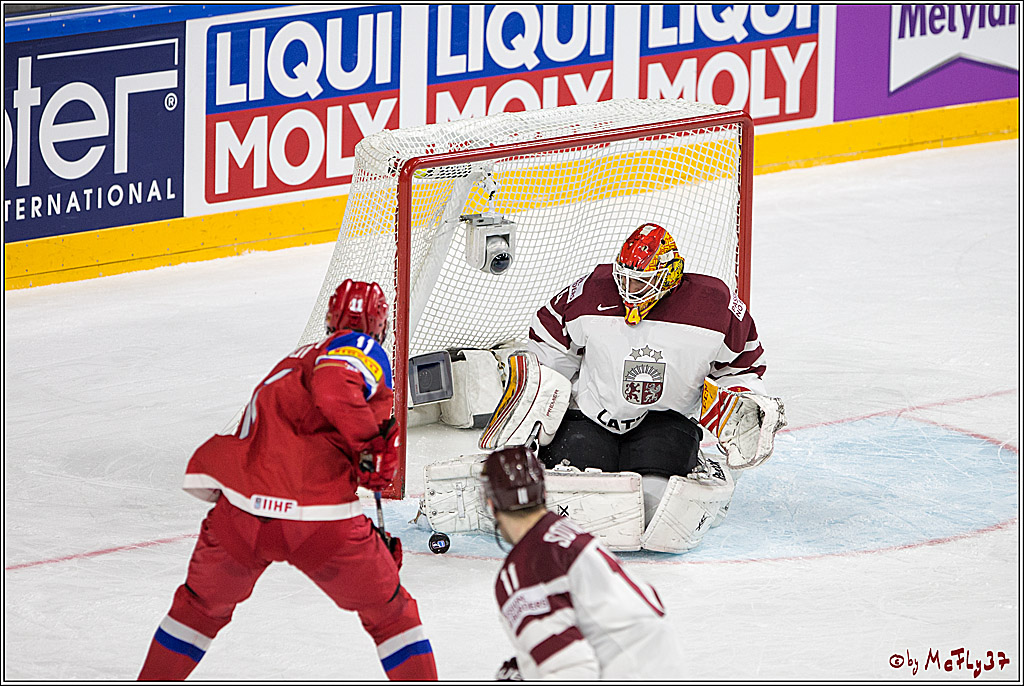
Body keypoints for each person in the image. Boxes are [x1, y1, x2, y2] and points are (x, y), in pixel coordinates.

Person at [137, 280, 438, 681]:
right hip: (318, 521)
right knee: (391, 615)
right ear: (380, 326)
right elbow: (335, 387)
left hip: (241, 516)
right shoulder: (361, 349)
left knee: (196, 612)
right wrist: (368, 445)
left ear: (330, 319)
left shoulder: (296, 359)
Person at [521, 221, 785, 547]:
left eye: (640, 281)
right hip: (591, 417)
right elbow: (548, 342)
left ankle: (693, 468)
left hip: (667, 421)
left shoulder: (716, 305)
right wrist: (541, 398)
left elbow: (742, 365)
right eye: (625, 278)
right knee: (581, 505)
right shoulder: (592, 290)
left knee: (654, 511)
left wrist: (743, 400)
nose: (629, 289)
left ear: (669, 276)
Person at [481, 446, 681, 680]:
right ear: (543, 494)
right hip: (660, 660)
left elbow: (571, 671)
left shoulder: (520, 570)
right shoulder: (566, 531)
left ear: (492, 504)